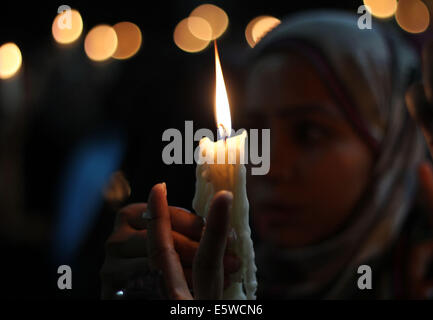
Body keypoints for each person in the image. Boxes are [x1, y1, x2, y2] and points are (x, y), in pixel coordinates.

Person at [100, 11, 433, 299]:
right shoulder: (228, 276)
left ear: (392, 145)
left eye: (310, 132)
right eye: (255, 133)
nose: (267, 167)